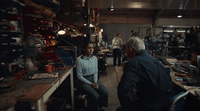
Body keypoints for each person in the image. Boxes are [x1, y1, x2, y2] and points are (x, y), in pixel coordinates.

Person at [116, 37, 175, 111]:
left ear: (130, 50)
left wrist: (126, 107)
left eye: (126, 49)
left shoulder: (134, 63)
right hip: (168, 101)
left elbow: (122, 89)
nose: (125, 51)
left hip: (155, 105)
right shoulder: (153, 59)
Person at [75, 41, 108, 111]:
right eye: (89, 48)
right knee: (95, 96)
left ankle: (100, 107)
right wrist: (91, 84)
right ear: (84, 49)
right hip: (82, 81)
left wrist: (95, 82)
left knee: (105, 92)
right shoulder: (80, 61)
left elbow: (95, 72)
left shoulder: (94, 59)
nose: (91, 49)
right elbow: (79, 76)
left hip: (93, 79)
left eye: (92, 48)